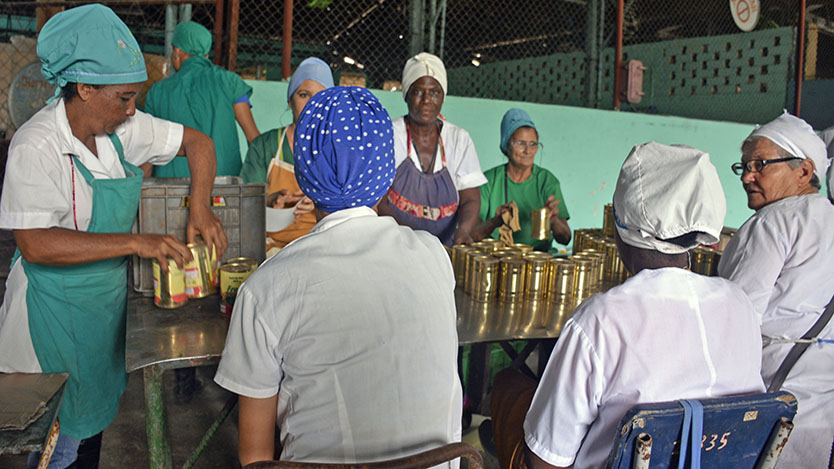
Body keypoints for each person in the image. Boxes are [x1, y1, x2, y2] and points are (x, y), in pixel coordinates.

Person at [0, 5, 227, 468]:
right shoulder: (36, 145)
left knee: (90, 430)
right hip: (51, 317)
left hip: (101, 311)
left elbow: (198, 144)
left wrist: (199, 206)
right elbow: (36, 243)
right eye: (123, 98)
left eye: (134, 98)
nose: (131, 110)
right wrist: (135, 243)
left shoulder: (122, 128)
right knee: (56, 441)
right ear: (84, 88)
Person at [214, 87, 462, 466]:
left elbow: (256, 457)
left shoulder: (266, 289)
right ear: (385, 171)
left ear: (304, 174)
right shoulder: (433, 255)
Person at [485, 143, 764, 469]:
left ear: (620, 224)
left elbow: (547, 459)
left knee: (508, 385)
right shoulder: (739, 304)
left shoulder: (601, 320)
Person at [718, 112, 834, 468]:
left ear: (803, 171)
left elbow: (736, 319)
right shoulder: (826, 215)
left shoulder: (773, 222)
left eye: (761, 165)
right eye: (745, 166)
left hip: (772, 399)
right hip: (822, 400)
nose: (748, 176)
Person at [377, 52, 486, 246]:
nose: (427, 99)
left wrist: (464, 231)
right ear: (407, 95)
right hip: (397, 244)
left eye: (434, 92)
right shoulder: (390, 135)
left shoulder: (459, 139)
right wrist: (410, 240)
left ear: (443, 97)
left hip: (445, 248)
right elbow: (379, 201)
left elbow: (470, 199)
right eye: (418, 91)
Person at [143, 20, 259, 178]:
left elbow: (148, 150)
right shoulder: (230, 82)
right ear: (205, 54)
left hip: (171, 189)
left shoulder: (157, 92)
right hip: (223, 189)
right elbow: (254, 139)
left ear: (177, 51)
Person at [239, 57, 334, 249]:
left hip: (321, 245)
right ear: (290, 101)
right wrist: (270, 199)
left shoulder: (337, 149)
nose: (312, 104)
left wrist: (321, 203)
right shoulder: (265, 146)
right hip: (271, 247)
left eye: (320, 96)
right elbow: (245, 202)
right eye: (304, 95)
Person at [476, 108, 570, 251]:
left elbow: (565, 239)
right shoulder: (489, 181)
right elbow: (472, 234)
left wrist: (553, 220)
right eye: (521, 143)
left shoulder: (547, 181)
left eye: (533, 144)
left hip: (538, 260)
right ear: (507, 145)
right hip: (497, 257)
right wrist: (497, 221)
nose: (528, 151)